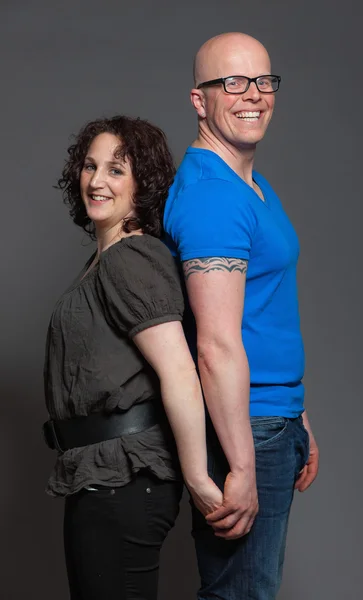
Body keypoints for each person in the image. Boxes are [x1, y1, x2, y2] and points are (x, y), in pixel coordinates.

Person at [163, 32, 320, 599]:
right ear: (199, 100)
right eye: (232, 81)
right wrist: (244, 465)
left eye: (263, 80)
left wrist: (296, 414)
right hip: (246, 430)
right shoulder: (212, 196)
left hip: (273, 418)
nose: (252, 94)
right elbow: (215, 345)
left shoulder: (248, 182)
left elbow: (264, 310)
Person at [42, 115, 223, 600]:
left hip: (126, 479)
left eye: (117, 170)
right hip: (100, 475)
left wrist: (198, 477)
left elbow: (180, 372)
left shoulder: (131, 257)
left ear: (144, 183)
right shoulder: (103, 261)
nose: (97, 181)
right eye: (90, 166)